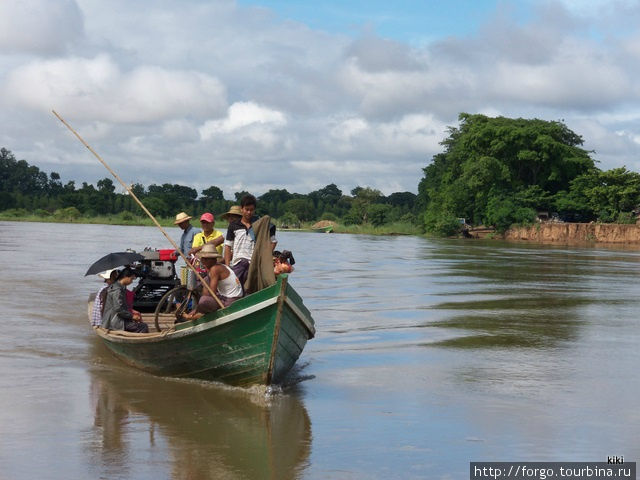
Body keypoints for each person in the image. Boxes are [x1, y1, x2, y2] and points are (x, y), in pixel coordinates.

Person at [224, 194, 277, 287]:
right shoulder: (234, 225)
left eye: (251, 210)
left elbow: (273, 242)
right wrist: (228, 266)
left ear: (254, 210)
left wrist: (263, 256)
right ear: (242, 209)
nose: (249, 212)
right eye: (246, 209)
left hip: (254, 264)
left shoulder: (259, 225)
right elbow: (228, 246)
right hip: (238, 263)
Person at [182, 244, 243, 320]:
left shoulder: (215, 269)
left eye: (206, 259)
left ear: (213, 259)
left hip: (231, 301)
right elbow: (207, 290)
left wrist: (197, 308)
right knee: (206, 282)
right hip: (226, 297)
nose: (203, 261)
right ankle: (198, 312)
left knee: (204, 300)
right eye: (203, 259)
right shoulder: (218, 266)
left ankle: (198, 314)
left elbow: (211, 293)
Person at [101, 268, 149, 333]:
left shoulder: (118, 287)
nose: (131, 281)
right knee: (143, 326)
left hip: (115, 319)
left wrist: (132, 316)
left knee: (137, 323)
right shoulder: (117, 290)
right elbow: (118, 309)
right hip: (113, 322)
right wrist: (132, 316)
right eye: (131, 279)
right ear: (125, 277)